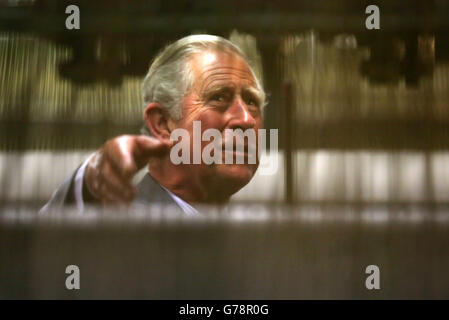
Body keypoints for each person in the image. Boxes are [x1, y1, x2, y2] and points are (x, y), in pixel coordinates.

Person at [40, 34, 266, 215]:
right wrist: (89, 183)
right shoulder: (118, 223)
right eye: (218, 97)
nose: (245, 119)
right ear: (163, 123)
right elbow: (26, 250)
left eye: (252, 101)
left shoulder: (255, 240)